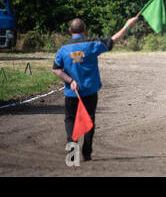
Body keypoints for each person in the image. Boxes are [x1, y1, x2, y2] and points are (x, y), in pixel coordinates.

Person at [52, 16, 139, 161]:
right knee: (89, 120)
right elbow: (112, 40)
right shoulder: (92, 44)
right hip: (90, 92)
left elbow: (56, 69)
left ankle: (72, 148)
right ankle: (87, 152)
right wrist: (127, 26)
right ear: (84, 30)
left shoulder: (63, 49)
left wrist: (70, 80)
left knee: (70, 121)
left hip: (71, 93)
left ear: (69, 31)